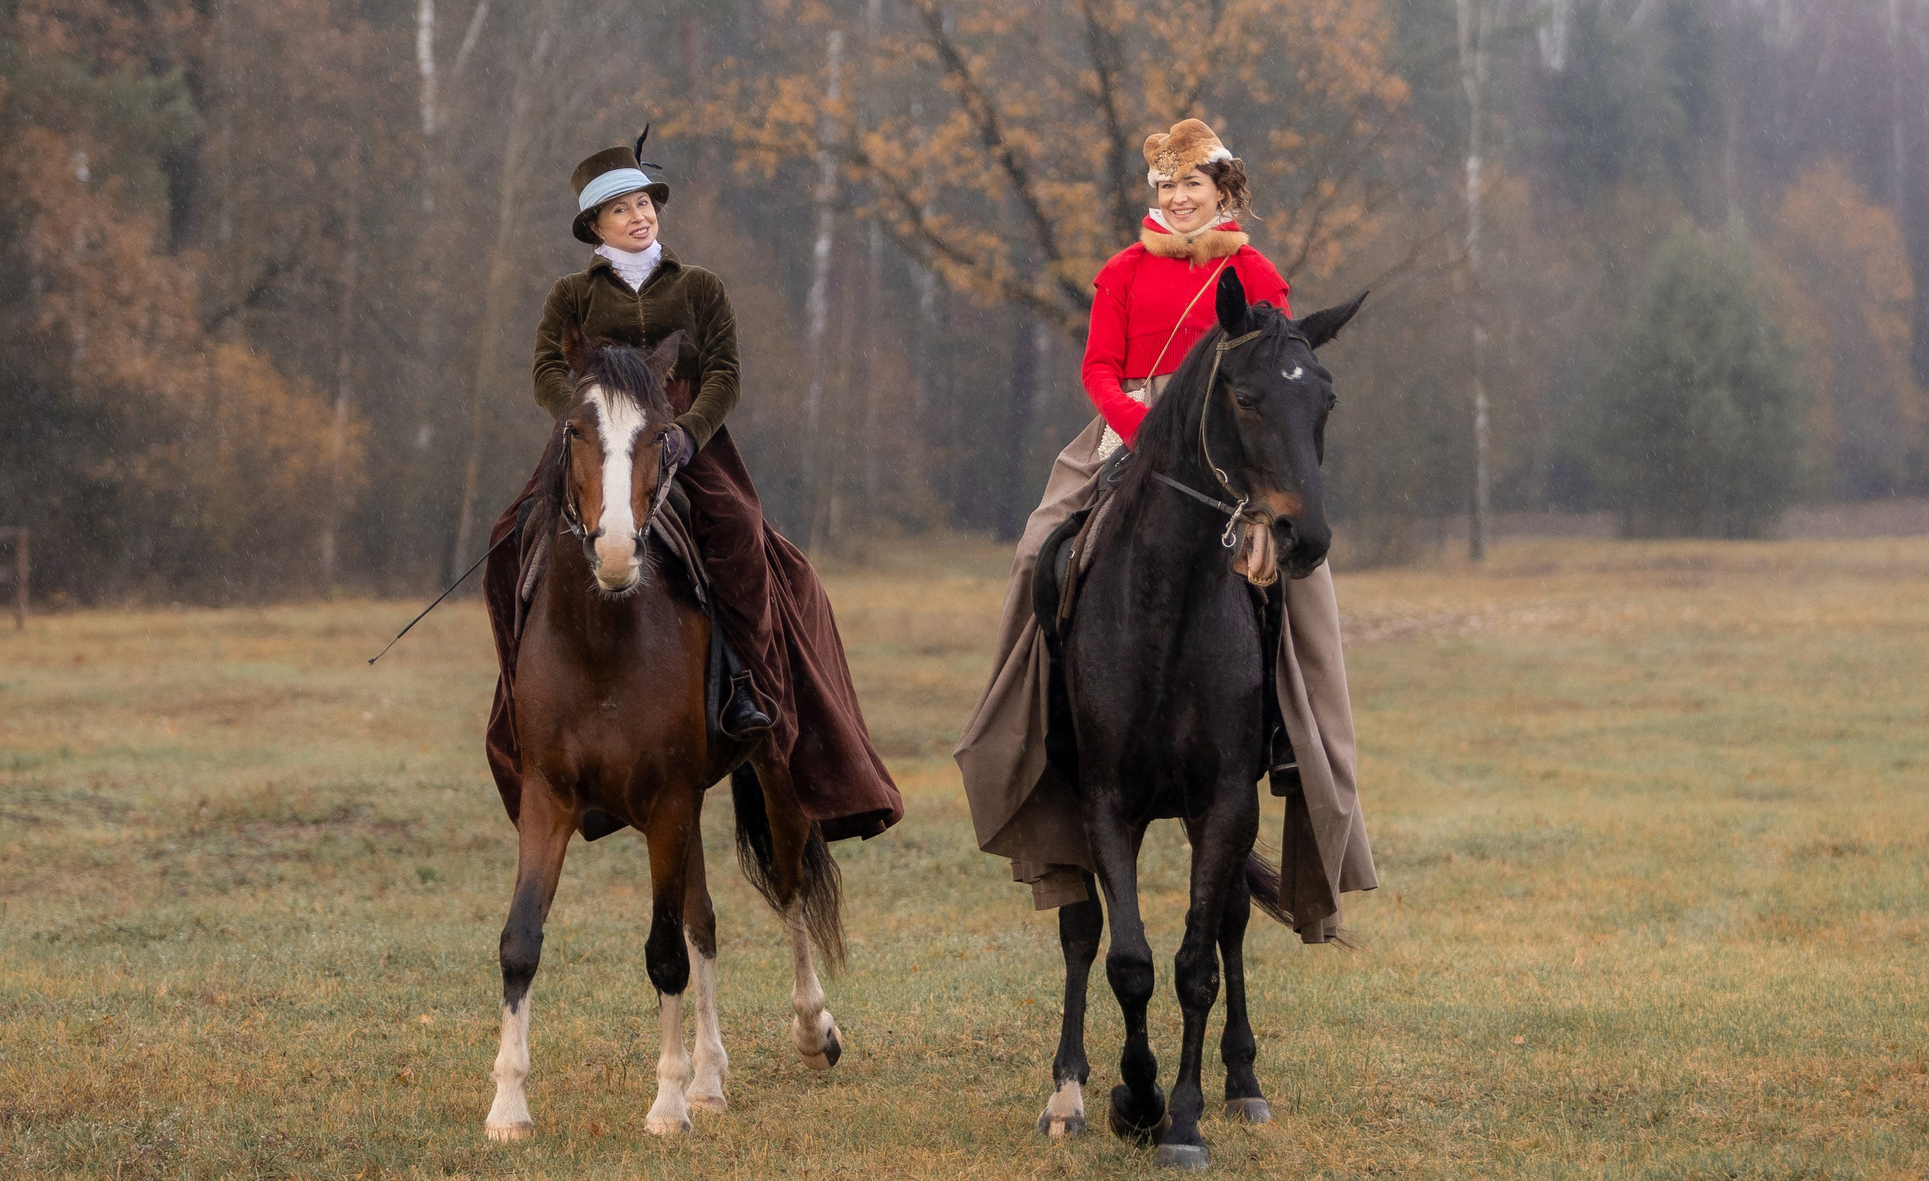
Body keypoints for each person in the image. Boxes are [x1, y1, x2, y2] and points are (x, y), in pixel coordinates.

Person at [952, 118, 1376, 942]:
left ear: (1225, 191)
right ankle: (1038, 724)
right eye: (1168, 187)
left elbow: (1278, 362)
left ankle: (1294, 738)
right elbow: (1098, 370)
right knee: (1040, 548)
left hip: (1232, 445)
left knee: (1303, 579)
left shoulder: (1254, 271)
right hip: (1130, 432)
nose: (1180, 200)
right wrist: (1143, 434)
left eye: (1195, 186)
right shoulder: (1119, 272)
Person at [479, 133, 903, 843]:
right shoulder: (570, 296)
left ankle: (751, 693)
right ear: (595, 227)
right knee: (506, 540)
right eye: (623, 209)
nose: (641, 216)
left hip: (684, 436)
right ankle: (526, 707)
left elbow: (727, 375)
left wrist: (685, 431)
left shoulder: (699, 286)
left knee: (739, 533)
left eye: (645, 202)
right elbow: (544, 373)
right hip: (597, 437)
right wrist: (586, 415)